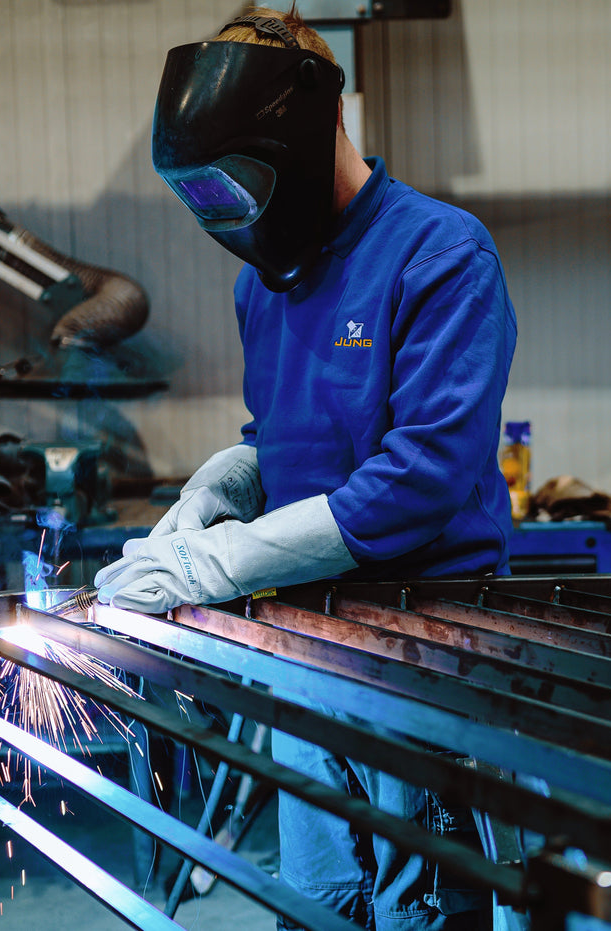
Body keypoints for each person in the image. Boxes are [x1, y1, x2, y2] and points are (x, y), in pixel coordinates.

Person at [95, 6, 517, 929]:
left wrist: (220, 564)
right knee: (319, 906)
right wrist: (222, 486)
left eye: (238, 181)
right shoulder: (265, 277)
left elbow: (421, 476)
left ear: (311, 126)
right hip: (302, 642)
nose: (231, 212)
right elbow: (282, 436)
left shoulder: (440, 252)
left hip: (424, 643)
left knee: (420, 909)